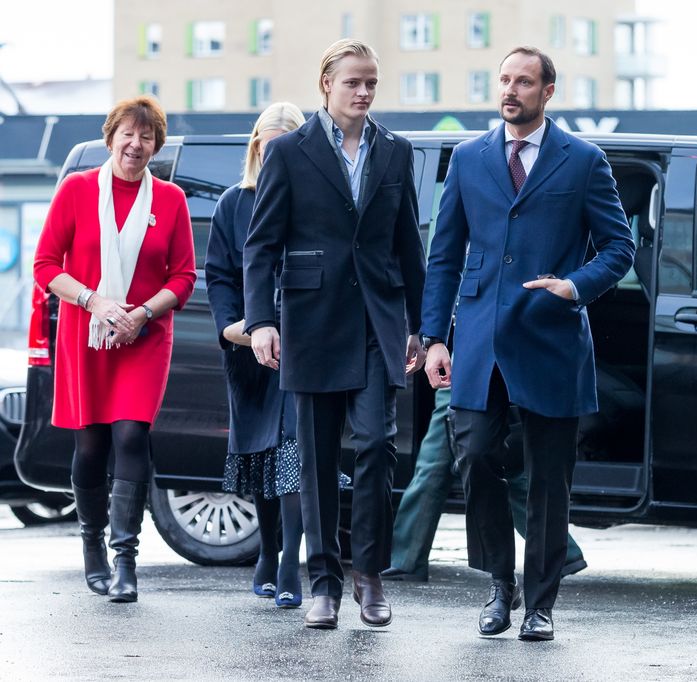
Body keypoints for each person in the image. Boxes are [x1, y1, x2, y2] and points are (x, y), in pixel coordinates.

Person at [419, 47, 634, 641]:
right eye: (505, 80)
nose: (511, 90)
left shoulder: (583, 160)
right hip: (480, 341)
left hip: (550, 338)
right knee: (477, 456)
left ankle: (540, 603)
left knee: (547, 478)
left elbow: (620, 248)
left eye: (524, 82)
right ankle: (498, 583)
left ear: (548, 91)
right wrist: (435, 337)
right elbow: (443, 256)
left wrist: (574, 285)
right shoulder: (468, 158)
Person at [244, 39, 426, 630]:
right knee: (318, 458)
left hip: (378, 319)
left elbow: (408, 247)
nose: (364, 91)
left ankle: (368, 575)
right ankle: (322, 581)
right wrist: (262, 321)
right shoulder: (291, 153)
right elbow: (262, 244)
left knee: (376, 444)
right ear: (326, 84)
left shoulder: (395, 152)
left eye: (372, 82)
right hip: (311, 320)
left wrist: (422, 327)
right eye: (353, 82)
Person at [33, 96, 197, 603]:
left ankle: (126, 561)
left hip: (143, 337)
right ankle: (92, 548)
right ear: (111, 137)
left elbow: (184, 276)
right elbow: (44, 265)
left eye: (146, 137)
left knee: (130, 437)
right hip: (87, 335)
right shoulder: (77, 190)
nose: (136, 144)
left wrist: (142, 312)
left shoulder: (170, 200)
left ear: (156, 146)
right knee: (91, 446)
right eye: (128, 133)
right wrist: (94, 301)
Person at [206, 101, 341, 609]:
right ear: (257, 143)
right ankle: (268, 549)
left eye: (288, 138)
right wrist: (231, 328)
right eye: (269, 138)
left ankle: (289, 562)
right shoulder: (232, 203)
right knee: (261, 451)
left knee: (293, 448)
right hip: (247, 346)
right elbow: (219, 274)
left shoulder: (315, 200)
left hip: (303, 345)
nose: (276, 147)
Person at [382, 386, 588, 582]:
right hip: (472, 368)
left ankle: (406, 559)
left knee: (445, 464)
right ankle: (561, 552)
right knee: (494, 470)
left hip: (471, 368)